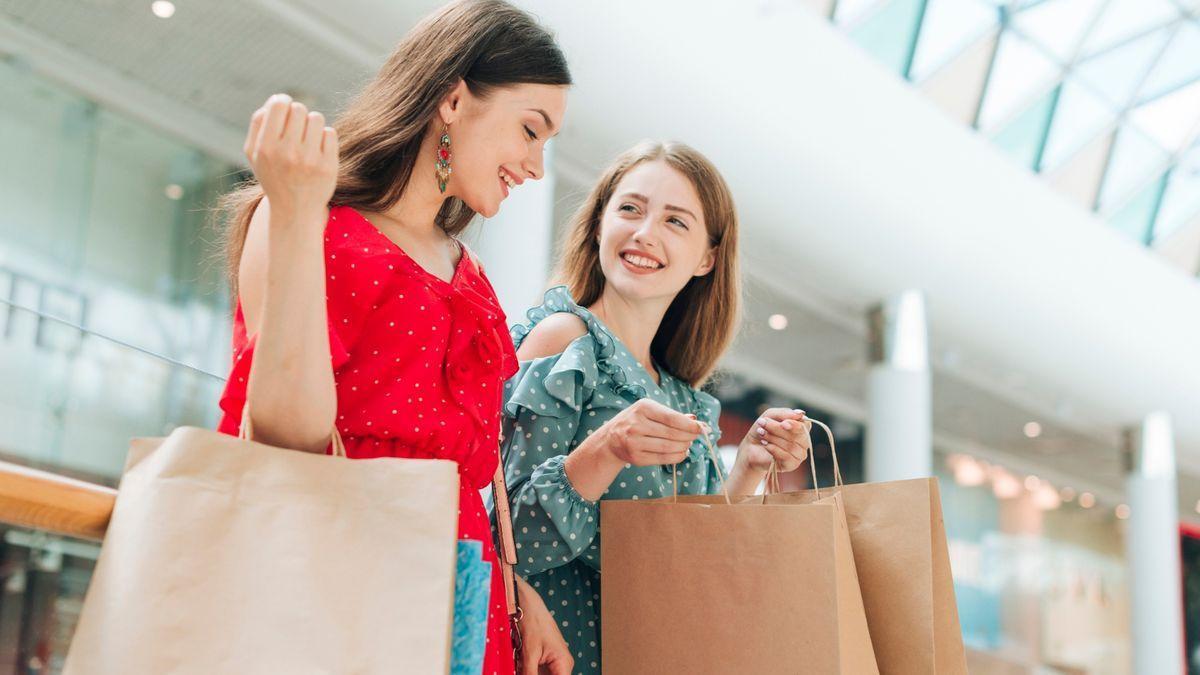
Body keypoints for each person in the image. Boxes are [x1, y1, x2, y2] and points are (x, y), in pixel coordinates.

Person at [215, 2, 573, 672]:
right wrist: (294, 212)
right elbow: (286, 435)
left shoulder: (473, 279)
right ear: (453, 97)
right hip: (340, 588)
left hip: (467, 604)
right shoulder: (311, 219)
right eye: (531, 130)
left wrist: (513, 585)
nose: (535, 165)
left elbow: (470, 478)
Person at [501, 141, 813, 673]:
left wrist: (749, 469)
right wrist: (607, 450)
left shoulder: (682, 397)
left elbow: (693, 565)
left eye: (675, 221)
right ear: (599, 224)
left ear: (707, 259)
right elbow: (505, 543)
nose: (645, 232)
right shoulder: (565, 341)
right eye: (630, 209)